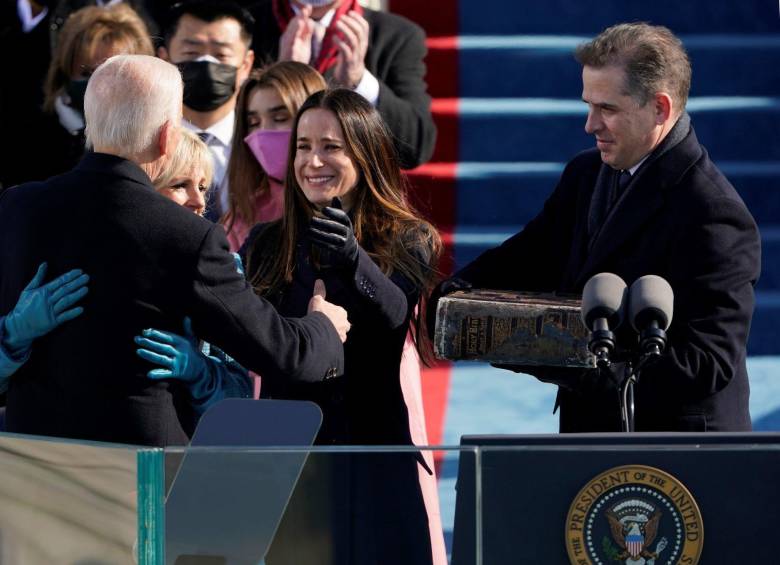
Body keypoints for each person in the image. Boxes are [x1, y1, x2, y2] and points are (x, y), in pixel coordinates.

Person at [0, 54, 349, 447]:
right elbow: (283, 354)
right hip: (142, 479)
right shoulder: (187, 236)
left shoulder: (17, 208)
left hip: (29, 471)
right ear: (168, 135)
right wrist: (324, 327)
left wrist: (13, 333)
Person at [433, 23, 761, 433]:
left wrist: (581, 366)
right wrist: (456, 292)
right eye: (589, 105)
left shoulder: (713, 211)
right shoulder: (587, 172)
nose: (590, 124)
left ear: (659, 108)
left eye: (607, 109)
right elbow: (532, 252)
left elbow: (709, 361)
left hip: (680, 455)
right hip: (594, 435)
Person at [242, 88, 443, 565]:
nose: (313, 161)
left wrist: (354, 261)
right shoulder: (266, 243)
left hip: (375, 457)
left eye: (331, 147)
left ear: (365, 153)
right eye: (303, 147)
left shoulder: (409, 237)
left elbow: (395, 317)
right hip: (291, 463)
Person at [138, 128, 253, 435]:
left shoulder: (224, 268)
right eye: (180, 185)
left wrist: (199, 372)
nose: (198, 201)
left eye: (203, 188)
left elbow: (239, 395)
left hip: (188, 457)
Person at [249, 0, 436, 169]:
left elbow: (415, 148)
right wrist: (283, 80)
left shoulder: (396, 35)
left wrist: (359, 81)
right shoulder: (245, 26)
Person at [5, 3, 154, 185]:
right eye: (87, 74)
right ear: (65, 72)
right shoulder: (27, 140)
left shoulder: (155, 145)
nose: (100, 85)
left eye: (114, 74)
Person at [158, 0, 255, 220]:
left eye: (221, 55)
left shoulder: (263, 142)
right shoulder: (144, 145)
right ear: (164, 58)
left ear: (246, 64)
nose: (207, 64)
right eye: (192, 52)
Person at [222, 61, 327, 251]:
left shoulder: (362, 202)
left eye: (280, 118)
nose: (263, 132)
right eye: (253, 122)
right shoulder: (242, 218)